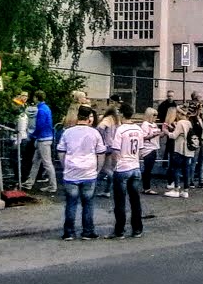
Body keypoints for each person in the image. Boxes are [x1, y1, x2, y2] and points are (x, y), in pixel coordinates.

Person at [56, 105, 105, 240]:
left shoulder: (68, 132)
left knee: (71, 202)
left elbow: (61, 152)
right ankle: (88, 231)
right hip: (89, 172)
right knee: (87, 203)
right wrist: (98, 169)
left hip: (71, 171)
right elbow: (101, 153)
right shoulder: (94, 133)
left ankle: (69, 232)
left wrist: (65, 165)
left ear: (78, 116)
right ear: (89, 118)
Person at [107, 103, 145, 237]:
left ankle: (120, 230)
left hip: (122, 167)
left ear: (122, 114)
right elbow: (141, 151)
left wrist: (114, 165)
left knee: (120, 201)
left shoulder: (120, 130)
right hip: (135, 167)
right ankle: (137, 228)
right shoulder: (138, 129)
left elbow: (115, 151)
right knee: (135, 200)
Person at [23, 90, 57, 193]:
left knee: (47, 163)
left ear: (36, 98)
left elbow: (40, 125)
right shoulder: (46, 108)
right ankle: (29, 182)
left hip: (43, 139)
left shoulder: (41, 110)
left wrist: (32, 135)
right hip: (45, 138)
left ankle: (52, 186)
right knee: (36, 161)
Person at [164, 105, 193, 198]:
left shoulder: (180, 123)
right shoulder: (189, 123)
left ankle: (176, 189)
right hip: (188, 150)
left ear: (180, 113)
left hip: (180, 148)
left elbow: (174, 135)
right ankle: (186, 190)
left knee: (176, 168)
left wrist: (166, 132)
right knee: (186, 170)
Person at [139, 107, 162, 194]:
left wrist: (163, 132)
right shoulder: (145, 124)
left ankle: (147, 187)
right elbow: (144, 137)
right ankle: (146, 188)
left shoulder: (154, 124)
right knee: (147, 169)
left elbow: (158, 136)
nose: (156, 117)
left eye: (156, 115)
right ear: (149, 115)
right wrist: (153, 135)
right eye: (154, 115)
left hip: (154, 147)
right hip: (148, 149)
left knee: (149, 169)